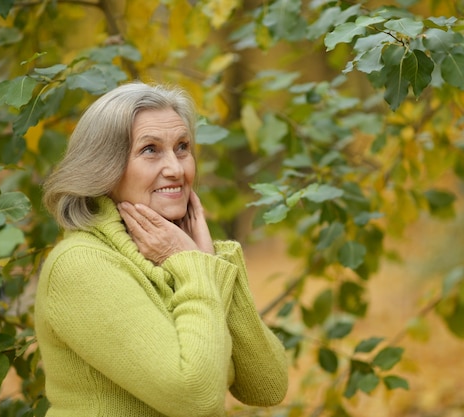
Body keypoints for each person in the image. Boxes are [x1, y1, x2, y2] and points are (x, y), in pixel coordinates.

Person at [35, 81, 288, 417]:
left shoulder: (176, 255)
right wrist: (195, 267)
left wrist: (208, 260)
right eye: (150, 150)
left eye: (182, 147)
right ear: (103, 168)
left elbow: (267, 384)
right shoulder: (81, 264)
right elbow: (195, 397)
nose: (176, 168)